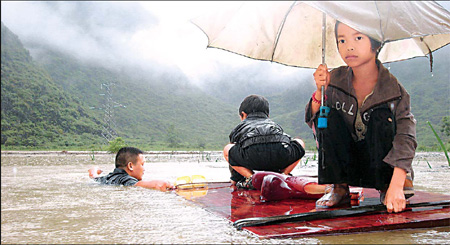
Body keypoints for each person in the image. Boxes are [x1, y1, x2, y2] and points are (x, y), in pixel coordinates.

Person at [305, 21, 416, 213]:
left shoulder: (394, 91)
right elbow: (313, 120)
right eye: (341, 40)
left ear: (376, 43)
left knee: (382, 117)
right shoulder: (334, 80)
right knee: (327, 117)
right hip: (347, 165)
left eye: (358, 38)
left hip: (381, 166)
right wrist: (319, 91)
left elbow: (406, 138)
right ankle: (339, 187)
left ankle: (385, 186)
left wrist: (396, 185)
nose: (349, 46)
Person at [223, 94, 306, 189]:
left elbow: (233, 154)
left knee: (228, 149)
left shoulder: (240, 127)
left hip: (251, 157)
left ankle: (251, 178)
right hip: (279, 155)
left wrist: (235, 178)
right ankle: (283, 175)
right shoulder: (274, 124)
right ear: (268, 115)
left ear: (243, 114)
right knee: (299, 143)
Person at [88, 146, 173, 191]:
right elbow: (144, 185)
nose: (144, 169)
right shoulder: (126, 179)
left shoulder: (107, 177)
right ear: (130, 166)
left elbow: (93, 175)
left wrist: (96, 169)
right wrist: (167, 184)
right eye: (142, 164)